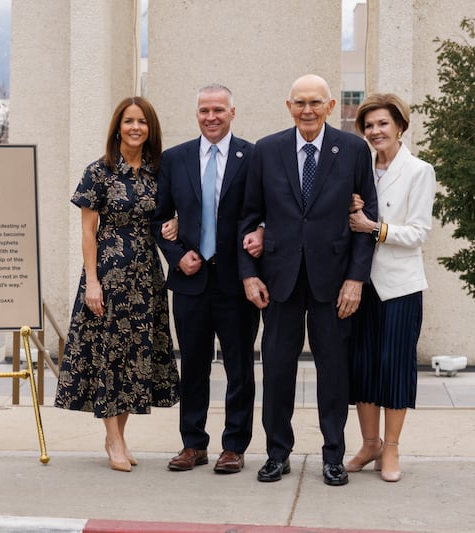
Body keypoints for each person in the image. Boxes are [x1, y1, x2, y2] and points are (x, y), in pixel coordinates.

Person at [238, 74, 378, 486]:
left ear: (331, 106)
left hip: (334, 285)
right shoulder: (267, 150)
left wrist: (356, 280)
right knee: (277, 371)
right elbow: (247, 219)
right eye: (300, 102)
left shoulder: (353, 150)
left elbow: (364, 221)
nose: (308, 110)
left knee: (333, 373)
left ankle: (333, 455)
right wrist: (249, 275)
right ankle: (277, 453)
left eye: (316, 102)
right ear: (288, 106)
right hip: (278, 280)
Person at [55, 96, 180, 472]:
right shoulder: (99, 172)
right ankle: (113, 438)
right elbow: (88, 232)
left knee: (133, 358)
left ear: (150, 129)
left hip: (145, 276)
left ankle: (119, 436)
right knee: (109, 354)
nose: (136, 127)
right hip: (108, 274)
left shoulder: (159, 173)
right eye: (129, 121)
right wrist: (92, 281)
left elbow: (164, 219)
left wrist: (175, 225)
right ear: (118, 127)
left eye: (142, 122)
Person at [153, 84, 260, 474]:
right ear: (196, 114)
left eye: (218, 109)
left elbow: (264, 209)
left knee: (239, 368)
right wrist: (179, 258)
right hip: (191, 283)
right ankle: (193, 444)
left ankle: (234, 445)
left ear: (233, 112)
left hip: (237, 281)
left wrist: (262, 231)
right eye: (203, 110)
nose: (210, 117)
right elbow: (158, 218)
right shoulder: (174, 159)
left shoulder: (254, 156)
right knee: (194, 366)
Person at [345, 93, 436, 482]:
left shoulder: (419, 170)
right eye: (368, 125)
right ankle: (370, 444)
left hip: (400, 286)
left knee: (394, 366)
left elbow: (419, 234)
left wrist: (373, 228)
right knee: (363, 365)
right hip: (361, 283)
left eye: (382, 123)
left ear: (400, 126)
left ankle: (392, 448)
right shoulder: (359, 168)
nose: (375, 131)